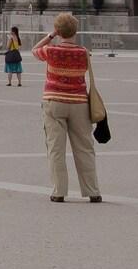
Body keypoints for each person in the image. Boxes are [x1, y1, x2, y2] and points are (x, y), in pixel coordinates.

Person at [33, 13, 101, 204]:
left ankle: (59, 191)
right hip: (79, 103)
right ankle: (93, 191)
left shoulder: (51, 51)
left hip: (54, 101)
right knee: (85, 148)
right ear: (75, 31)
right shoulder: (83, 52)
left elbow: (34, 50)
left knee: (56, 148)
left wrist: (51, 35)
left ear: (59, 31)